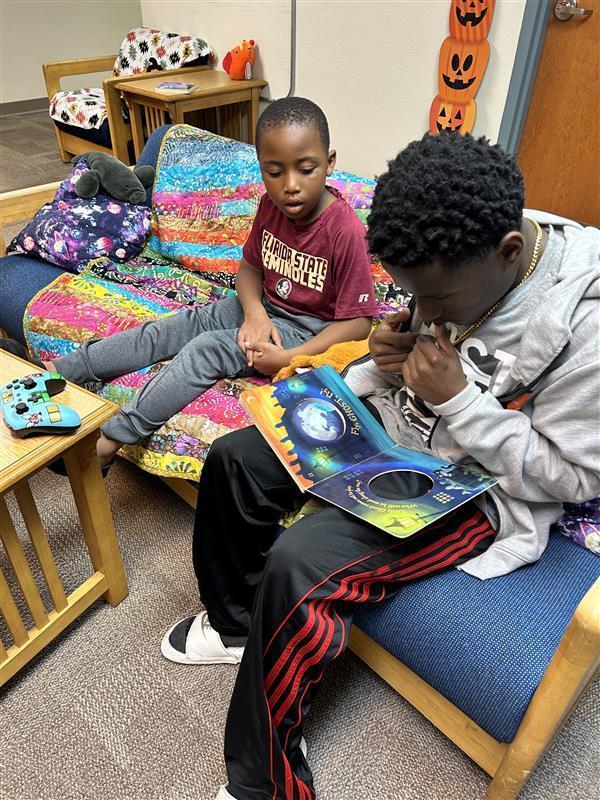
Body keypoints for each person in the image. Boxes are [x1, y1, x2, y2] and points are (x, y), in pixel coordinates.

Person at [162, 131, 600, 800]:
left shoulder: (585, 325)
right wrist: (382, 362)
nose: (425, 315)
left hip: (475, 487)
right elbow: (404, 350)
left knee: (300, 563)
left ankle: (266, 785)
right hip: (394, 430)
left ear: (509, 254)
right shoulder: (454, 258)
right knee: (234, 460)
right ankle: (234, 627)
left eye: (439, 304)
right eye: (411, 296)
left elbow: (573, 481)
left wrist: (460, 401)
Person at [0, 97, 376, 467]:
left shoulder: (344, 231)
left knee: (206, 349)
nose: (290, 185)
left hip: (305, 331)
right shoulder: (270, 206)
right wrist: (254, 312)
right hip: (262, 308)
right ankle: (58, 373)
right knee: (167, 330)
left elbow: (359, 322)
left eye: (306, 169)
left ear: (329, 164)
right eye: (275, 172)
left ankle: (109, 440)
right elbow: (249, 270)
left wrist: (294, 357)